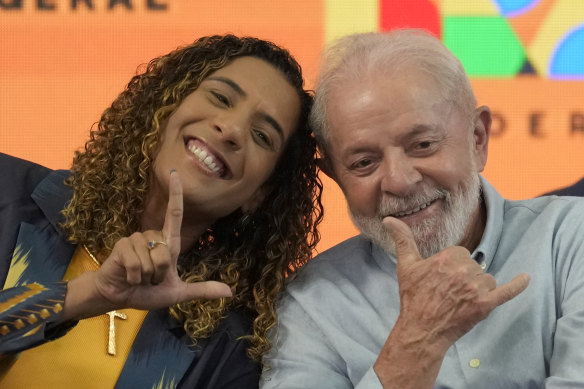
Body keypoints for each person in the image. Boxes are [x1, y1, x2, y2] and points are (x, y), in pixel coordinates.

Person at [260, 29, 584, 388]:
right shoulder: (310, 305)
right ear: (335, 177)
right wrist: (416, 342)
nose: (398, 181)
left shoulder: (571, 239)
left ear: (477, 138)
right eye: (364, 162)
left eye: (423, 144)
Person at [0, 34, 323, 388]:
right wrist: (82, 297)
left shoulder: (229, 351)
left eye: (262, 135)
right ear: (164, 106)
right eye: (220, 97)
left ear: (259, 194)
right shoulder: (7, 191)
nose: (231, 129)